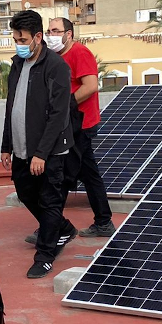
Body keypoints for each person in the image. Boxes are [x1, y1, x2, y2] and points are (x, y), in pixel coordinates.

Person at [2, 10, 79, 279]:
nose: (19, 44)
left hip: (50, 152)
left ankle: (45, 256)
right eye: (15, 39)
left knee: (49, 201)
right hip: (22, 149)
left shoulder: (56, 66)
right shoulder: (16, 65)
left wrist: (41, 153)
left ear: (37, 36)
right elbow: (11, 107)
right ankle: (63, 228)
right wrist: (5, 145)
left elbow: (59, 114)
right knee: (26, 194)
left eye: (22, 39)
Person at [50, 17, 116, 238]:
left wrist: (65, 106)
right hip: (67, 123)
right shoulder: (56, 56)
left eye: (56, 30)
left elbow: (90, 86)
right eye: (49, 30)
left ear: (68, 34)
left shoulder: (79, 53)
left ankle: (54, 227)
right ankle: (101, 221)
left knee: (70, 175)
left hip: (81, 123)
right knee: (81, 174)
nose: (51, 34)